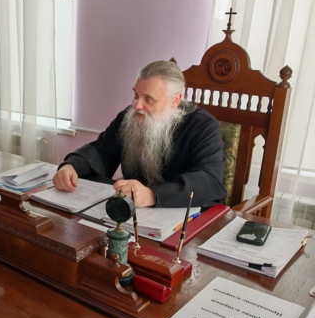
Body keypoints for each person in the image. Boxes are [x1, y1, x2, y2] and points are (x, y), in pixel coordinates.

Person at [53, 60, 227, 208]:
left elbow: (209, 180)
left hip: (181, 216)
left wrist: (152, 195)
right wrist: (72, 166)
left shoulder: (203, 126)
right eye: (136, 95)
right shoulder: (129, 117)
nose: (137, 105)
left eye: (148, 99)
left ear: (175, 100)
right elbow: (102, 151)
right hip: (133, 211)